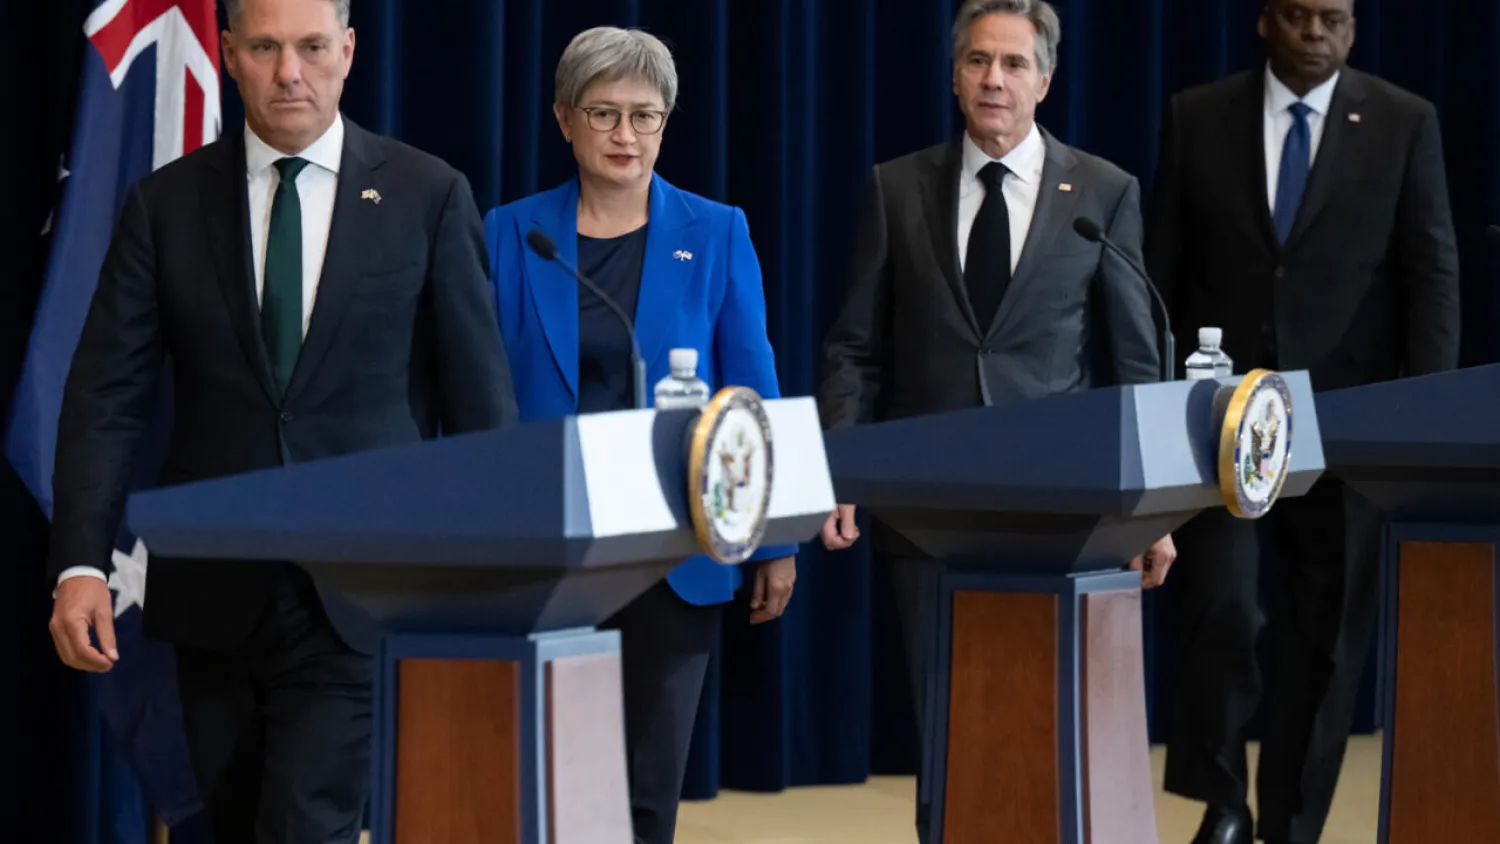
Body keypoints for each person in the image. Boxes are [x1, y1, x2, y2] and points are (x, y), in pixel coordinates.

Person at [45, 0, 516, 840]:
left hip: (362, 591)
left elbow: (479, 408)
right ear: (228, 55)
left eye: (308, 47)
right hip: (212, 592)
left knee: (308, 825)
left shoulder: (427, 195)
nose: (288, 72)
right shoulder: (166, 204)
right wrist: (79, 560)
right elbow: (104, 398)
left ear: (349, 51)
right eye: (264, 47)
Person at [817, 0, 1175, 839]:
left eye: (1014, 64)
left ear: (1045, 80)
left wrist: (1154, 508)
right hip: (926, 509)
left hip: (1062, 508)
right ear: (953, 74)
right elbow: (855, 348)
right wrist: (838, 470)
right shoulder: (895, 186)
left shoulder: (1102, 191)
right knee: (945, 721)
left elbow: (1135, 360)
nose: (994, 80)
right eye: (978, 61)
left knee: (1047, 720)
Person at [1144, 1, 1460, 842]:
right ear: (1263, 22)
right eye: (1299, 15)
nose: (1317, 32)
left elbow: (1431, 272)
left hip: (1348, 429)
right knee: (1223, 613)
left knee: (1324, 641)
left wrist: (1419, 425)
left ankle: (1291, 821)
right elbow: (1160, 276)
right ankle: (1223, 802)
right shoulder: (1198, 115)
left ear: (1354, 29)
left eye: (1336, 18)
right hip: (1218, 430)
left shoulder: (1402, 121)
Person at [482, 26, 799, 844]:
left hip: (673, 550)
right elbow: (473, 390)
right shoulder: (510, 234)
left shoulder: (718, 231)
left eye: (646, 116)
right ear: (563, 118)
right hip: (539, 548)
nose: (626, 136)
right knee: (540, 781)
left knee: (647, 793)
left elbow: (751, 389)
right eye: (605, 113)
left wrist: (772, 541)